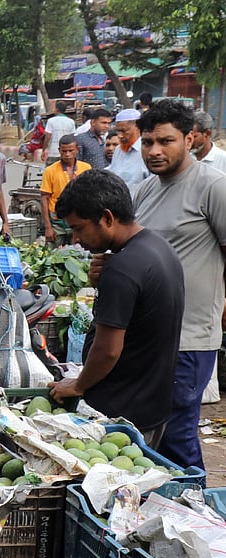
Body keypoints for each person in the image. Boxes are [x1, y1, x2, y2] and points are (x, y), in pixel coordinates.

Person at [49, 169, 183, 444]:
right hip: (152, 404)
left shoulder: (121, 269)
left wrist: (78, 384)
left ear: (107, 218)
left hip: (122, 415)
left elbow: (108, 350)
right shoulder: (158, 247)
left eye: (78, 228)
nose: (76, 239)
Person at [132, 99, 226, 469]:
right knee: (152, 435)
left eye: (166, 141)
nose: (154, 151)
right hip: (148, 334)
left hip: (190, 335)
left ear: (190, 139)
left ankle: (199, 513)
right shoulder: (144, 191)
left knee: (178, 433)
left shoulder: (212, 186)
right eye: (147, 142)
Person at [40, 135, 91, 244]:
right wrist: (48, 227)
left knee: (78, 254)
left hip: (79, 219)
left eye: (70, 150)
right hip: (57, 221)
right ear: (59, 151)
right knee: (53, 256)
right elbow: (45, 198)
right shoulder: (50, 170)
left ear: (77, 149)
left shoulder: (86, 168)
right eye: (64, 151)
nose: (67, 154)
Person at [107, 108, 149, 193]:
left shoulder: (147, 151)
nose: (120, 136)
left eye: (123, 131)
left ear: (137, 127)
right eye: (118, 131)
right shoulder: (118, 150)